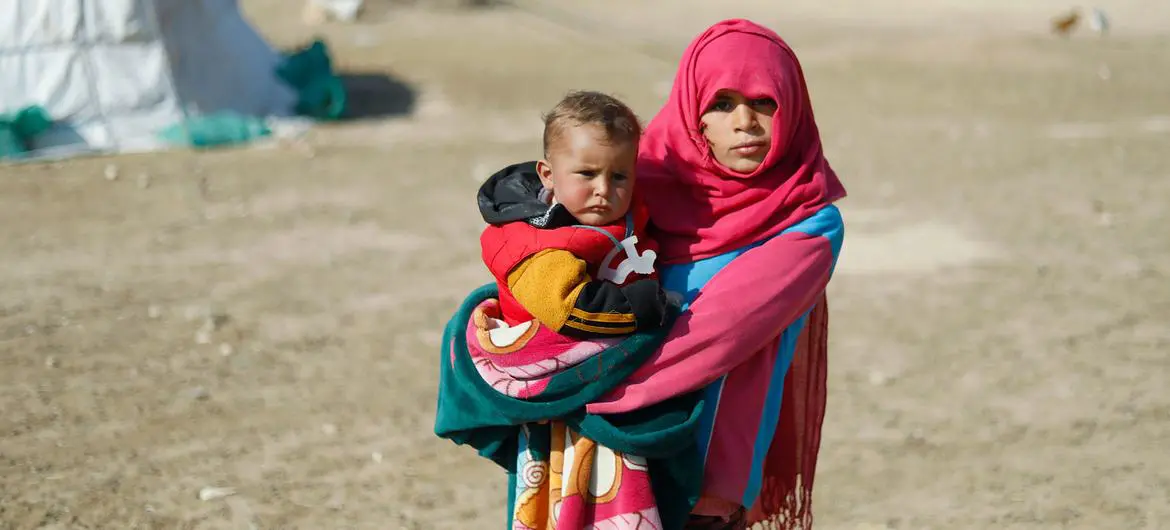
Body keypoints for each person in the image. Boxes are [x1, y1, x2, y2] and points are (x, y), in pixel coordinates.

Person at [585, 19, 848, 529]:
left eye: (765, 102)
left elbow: (708, 337)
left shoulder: (809, 225)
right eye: (721, 104)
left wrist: (563, 383)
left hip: (704, 483)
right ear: (693, 113)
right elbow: (560, 259)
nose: (745, 121)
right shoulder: (636, 186)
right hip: (610, 461)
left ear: (793, 108)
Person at [477, 90, 670, 339]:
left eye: (619, 176)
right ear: (548, 175)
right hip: (554, 356)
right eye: (587, 174)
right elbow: (570, 311)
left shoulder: (631, 206)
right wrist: (647, 305)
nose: (603, 189)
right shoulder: (534, 245)